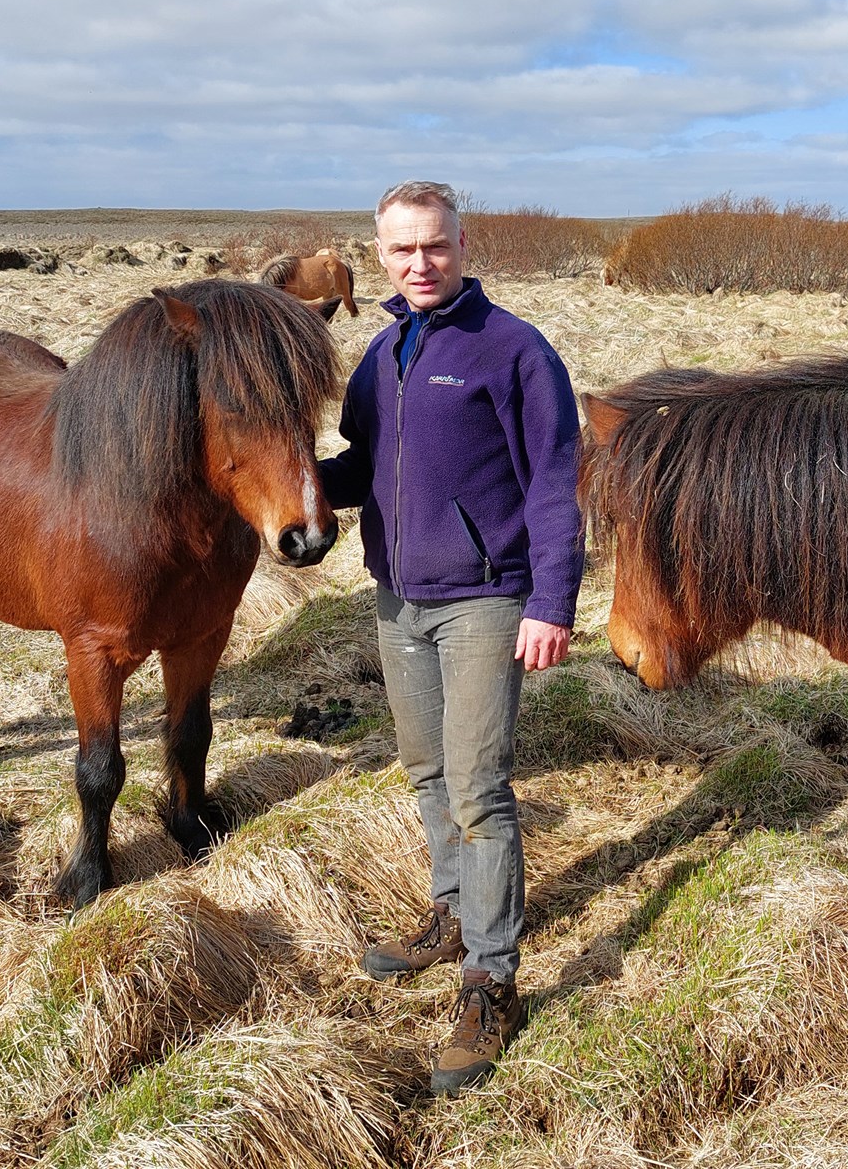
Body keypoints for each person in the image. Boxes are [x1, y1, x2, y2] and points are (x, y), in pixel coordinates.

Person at [317, 180, 584, 1095]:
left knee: (479, 786)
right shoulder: (382, 350)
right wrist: (283, 487)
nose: (419, 265)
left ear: (463, 246)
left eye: (434, 247)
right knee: (426, 767)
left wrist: (552, 601)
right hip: (399, 596)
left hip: (486, 598)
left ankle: (491, 977)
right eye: (401, 250)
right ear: (378, 254)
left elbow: (554, 485)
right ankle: (451, 911)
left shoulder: (515, 351)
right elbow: (360, 465)